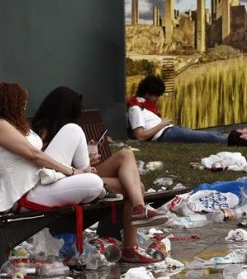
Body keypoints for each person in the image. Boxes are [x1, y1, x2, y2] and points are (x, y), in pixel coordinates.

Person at [31, 86, 168, 263]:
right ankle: (131, 243)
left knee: (126, 154)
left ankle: (139, 209)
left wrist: (86, 159)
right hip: (63, 183)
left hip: (77, 175)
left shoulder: (65, 129)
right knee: (137, 187)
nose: (77, 116)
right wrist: (79, 166)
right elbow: (47, 168)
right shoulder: (43, 132)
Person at [128, 75, 227, 143]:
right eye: (156, 96)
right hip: (166, 134)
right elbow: (140, 136)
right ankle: (239, 140)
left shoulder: (142, 104)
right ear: (147, 93)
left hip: (170, 129)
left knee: (213, 133)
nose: (157, 99)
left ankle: (237, 136)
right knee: (209, 137)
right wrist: (162, 124)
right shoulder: (136, 109)